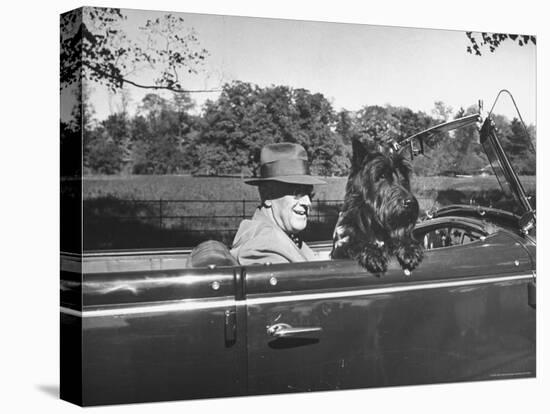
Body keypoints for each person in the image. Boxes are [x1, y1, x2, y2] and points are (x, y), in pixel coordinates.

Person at [230, 143, 326, 265]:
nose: (307, 203)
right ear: (267, 195)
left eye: (309, 193)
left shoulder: (283, 236)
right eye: (297, 192)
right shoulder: (264, 248)